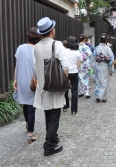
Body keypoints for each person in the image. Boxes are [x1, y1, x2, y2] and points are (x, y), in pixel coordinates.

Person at [33, 17, 69, 156]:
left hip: (42, 87)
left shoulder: (36, 47)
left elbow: (35, 67)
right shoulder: (57, 44)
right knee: (54, 117)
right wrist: (63, 80)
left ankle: (53, 139)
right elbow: (65, 65)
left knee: (49, 115)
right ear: (52, 30)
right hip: (55, 86)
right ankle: (49, 146)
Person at [13, 27, 42, 144]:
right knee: (31, 107)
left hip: (21, 80)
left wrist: (15, 79)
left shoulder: (20, 47)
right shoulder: (38, 50)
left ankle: (27, 123)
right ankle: (30, 134)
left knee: (26, 103)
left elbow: (17, 65)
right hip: (33, 82)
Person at [63, 36, 81, 115]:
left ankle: (65, 105)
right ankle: (74, 110)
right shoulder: (77, 52)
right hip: (74, 72)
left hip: (65, 72)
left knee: (65, 89)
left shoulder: (63, 51)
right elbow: (78, 64)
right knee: (74, 90)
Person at [93, 36, 114, 102]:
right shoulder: (108, 48)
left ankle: (98, 96)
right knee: (104, 80)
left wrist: (93, 66)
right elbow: (111, 57)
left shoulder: (96, 48)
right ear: (106, 41)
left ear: (99, 40)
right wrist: (109, 64)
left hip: (98, 65)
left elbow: (93, 58)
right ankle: (103, 96)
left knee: (98, 80)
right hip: (105, 65)